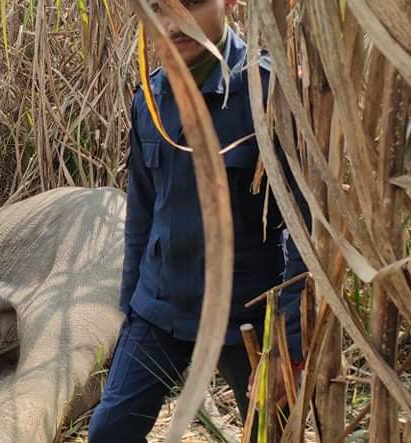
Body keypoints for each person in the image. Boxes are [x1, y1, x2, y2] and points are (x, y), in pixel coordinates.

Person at [87, 1, 307, 440]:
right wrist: (129, 310)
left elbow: (306, 226)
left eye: (191, 4)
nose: (173, 24)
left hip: (243, 316)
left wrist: (289, 346)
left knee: (269, 434)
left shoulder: (267, 91)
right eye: (157, 9)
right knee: (109, 431)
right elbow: (142, 214)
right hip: (159, 306)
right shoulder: (150, 97)